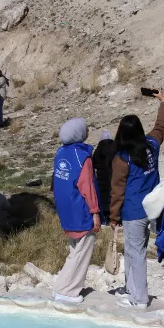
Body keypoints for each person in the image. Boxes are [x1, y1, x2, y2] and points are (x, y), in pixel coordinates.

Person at [110, 90, 164, 309]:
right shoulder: (152, 145)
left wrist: (113, 217)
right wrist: (162, 102)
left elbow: (117, 191)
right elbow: (161, 127)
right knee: (137, 250)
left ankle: (139, 299)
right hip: (152, 209)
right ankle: (132, 291)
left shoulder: (122, 159)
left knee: (136, 254)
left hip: (133, 212)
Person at [50, 119, 102, 304]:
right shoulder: (83, 157)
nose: (87, 131)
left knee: (74, 249)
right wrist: (95, 212)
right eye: (85, 129)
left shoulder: (60, 152)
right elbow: (87, 187)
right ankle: (67, 292)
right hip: (80, 209)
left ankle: (61, 288)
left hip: (65, 208)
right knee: (82, 251)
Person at [92, 130, 116, 223]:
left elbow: (94, 164)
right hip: (113, 176)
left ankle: (105, 217)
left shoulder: (98, 150)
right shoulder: (115, 148)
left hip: (101, 179)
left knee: (103, 197)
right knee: (113, 194)